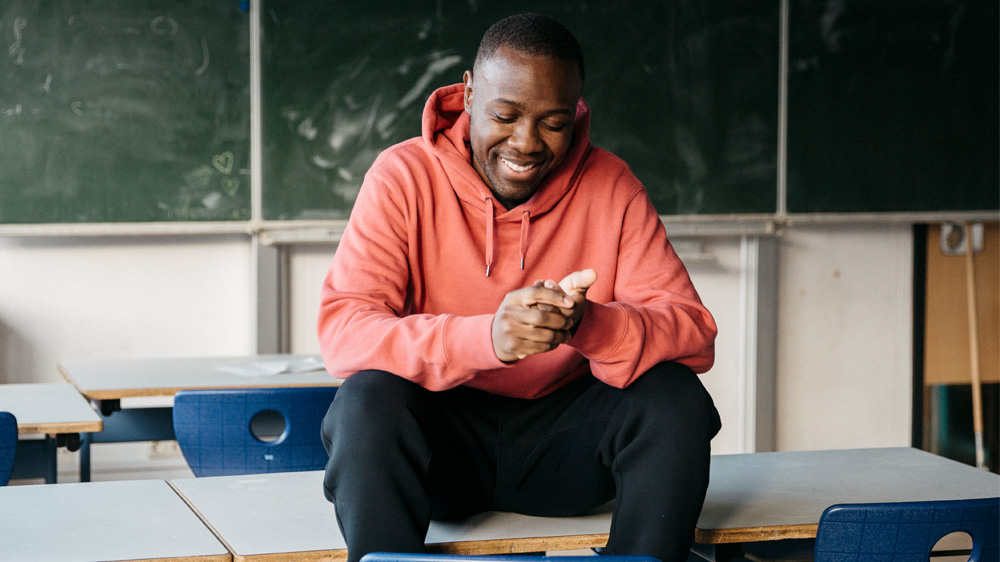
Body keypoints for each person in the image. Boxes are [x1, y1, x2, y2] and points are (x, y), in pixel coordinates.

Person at [318, 13, 721, 562]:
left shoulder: (612, 186)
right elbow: (344, 334)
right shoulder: (402, 177)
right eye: (504, 116)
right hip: (442, 454)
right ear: (467, 92)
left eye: (554, 122)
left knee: (675, 399)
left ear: (577, 108)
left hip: (566, 453)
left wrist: (589, 324)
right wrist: (488, 339)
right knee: (365, 400)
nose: (527, 143)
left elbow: (694, 332)